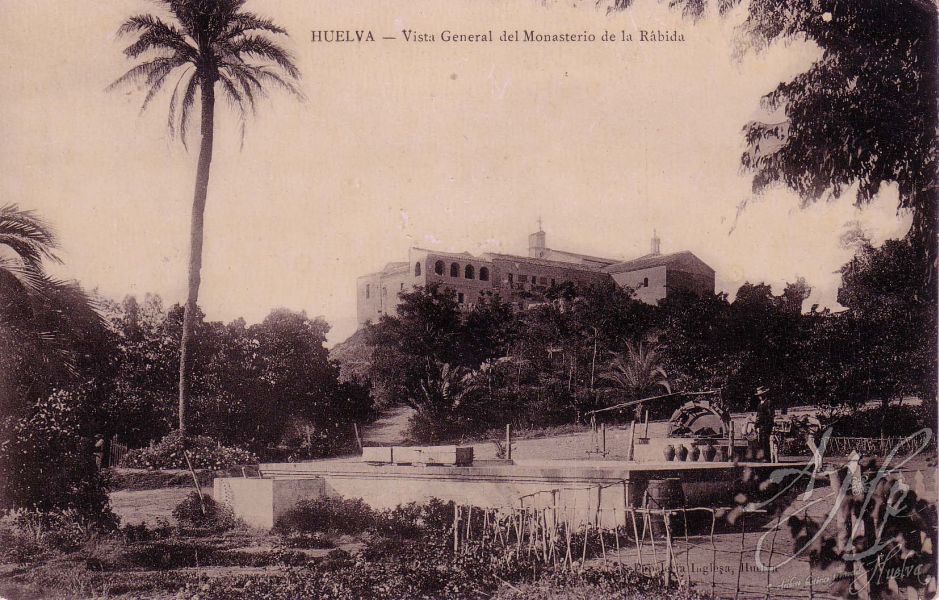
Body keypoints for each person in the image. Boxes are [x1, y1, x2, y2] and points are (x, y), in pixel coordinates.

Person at [755, 386, 774, 462]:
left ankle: (767, 458)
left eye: (761, 395)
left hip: (767, 424)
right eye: (759, 395)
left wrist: (761, 418)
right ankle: (762, 457)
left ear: (764, 394)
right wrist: (756, 423)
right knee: (760, 441)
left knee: (765, 441)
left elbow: (770, 415)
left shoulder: (769, 402)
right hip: (761, 425)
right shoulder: (759, 405)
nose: (760, 396)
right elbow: (757, 415)